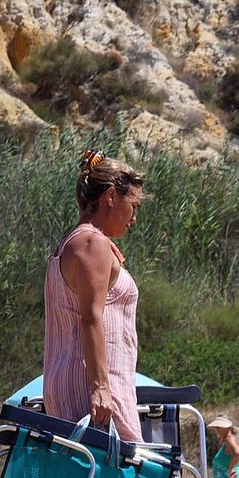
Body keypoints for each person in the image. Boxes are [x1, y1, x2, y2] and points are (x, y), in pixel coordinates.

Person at [43, 149, 146, 441]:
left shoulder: (79, 242)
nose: (134, 218)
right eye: (133, 206)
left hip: (76, 379)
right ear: (111, 197)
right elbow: (90, 318)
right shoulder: (92, 244)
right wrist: (101, 387)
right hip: (93, 386)